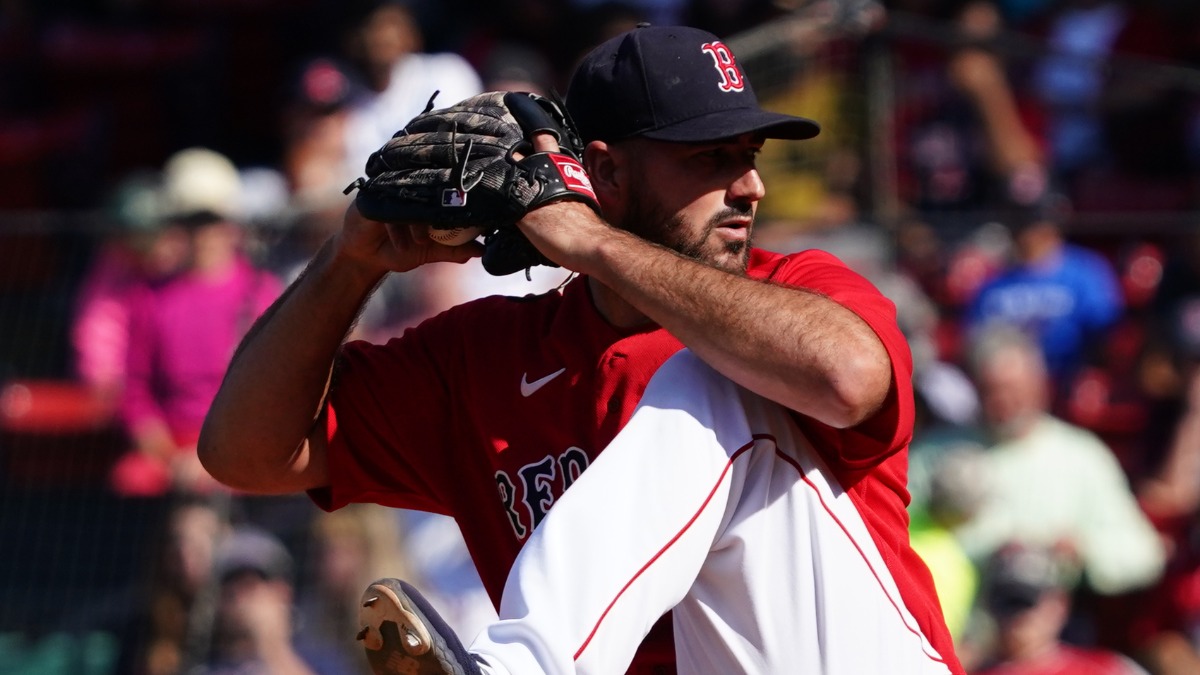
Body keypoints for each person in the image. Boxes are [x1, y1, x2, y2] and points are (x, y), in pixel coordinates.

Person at [198, 24, 961, 673]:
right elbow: (246, 452)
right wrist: (349, 261)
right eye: (710, 157)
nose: (751, 185)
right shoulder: (484, 359)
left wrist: (588, 239)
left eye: (749, 152)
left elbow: (846, 377)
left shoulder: (797, 291)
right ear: (604, 171)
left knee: (713, 380)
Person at [112, 147, 283, 497]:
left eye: (211, 220)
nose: (204, 233)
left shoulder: (263, 293)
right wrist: (167, 454)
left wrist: (216, 457)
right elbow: (135, 390)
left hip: (246, 447)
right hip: (172, 456)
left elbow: (279, 391)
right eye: (191, 222)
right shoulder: (149, 298)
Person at [954, 325, 1164, 597]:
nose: (1003, 402)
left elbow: (1144, 554)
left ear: (1040, 384)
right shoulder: (941, 453)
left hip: (1052, 612)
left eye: (1014, 390)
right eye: (991, 391)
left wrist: (1081, 552)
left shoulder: (1082, 456)